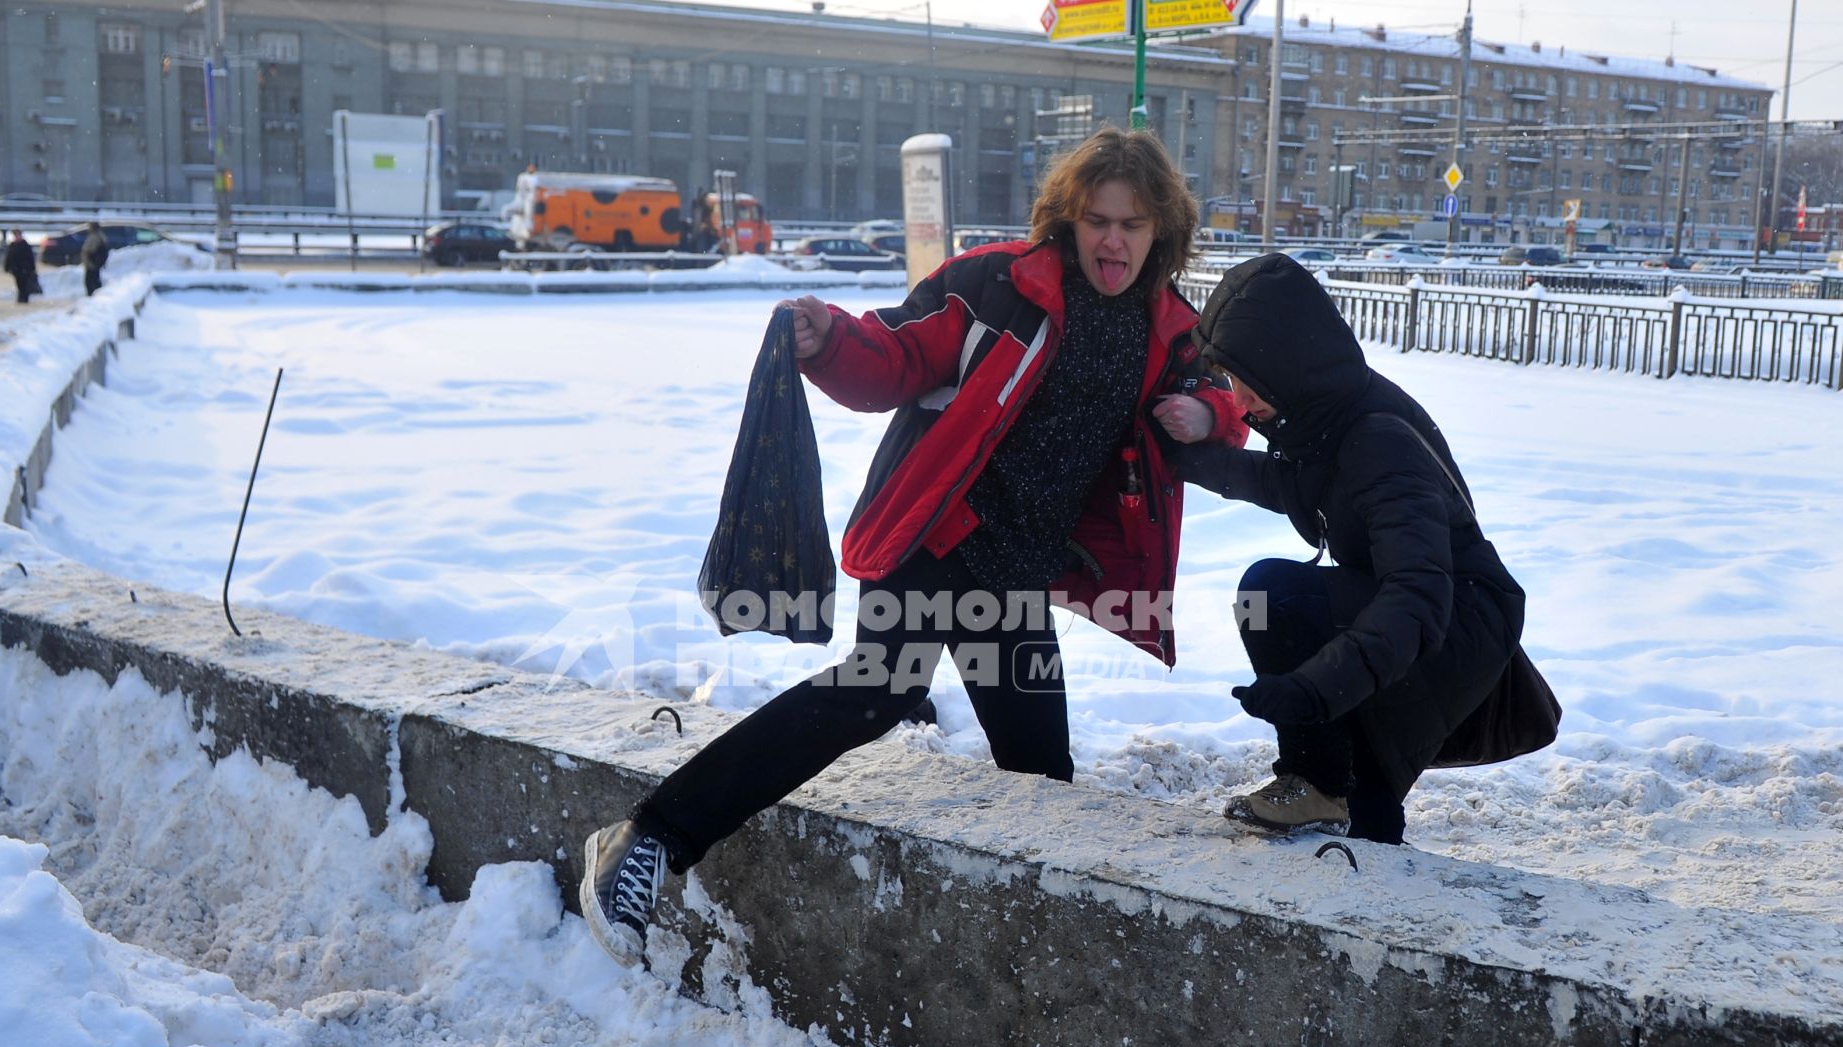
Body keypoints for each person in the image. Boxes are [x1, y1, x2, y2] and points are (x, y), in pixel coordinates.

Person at [578, 126, 1249, 966]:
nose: (1113, 240)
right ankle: (646, 840)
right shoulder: (998, 286)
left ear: (1162, 233)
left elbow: (1222, 400)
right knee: (877, 689)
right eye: (1097, 219)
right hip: (936, 532)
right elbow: (896, 354)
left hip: (1015, 572)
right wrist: (831, 340)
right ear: (1069, 219)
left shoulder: (1167, 330)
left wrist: (1208, 417)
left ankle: (1028, 966)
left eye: (1133, 224)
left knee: (1040, 771)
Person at [1169, 252, 1527, 846]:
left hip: (1457, 616)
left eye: (1242, 379)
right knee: (1284, 609)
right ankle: (1330, 797)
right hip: (1426, 604)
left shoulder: (1378, 440)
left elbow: (1416, 594)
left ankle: (1338, 811)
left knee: (1276, 597)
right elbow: (1294, 485)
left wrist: (1311, 690)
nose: (1236, 400)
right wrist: (1189, 462)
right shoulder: (1329, 412)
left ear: (1282, 362)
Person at [3, 229, 38, 304]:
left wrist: (32, 268)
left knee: (25, 284)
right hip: (15, 269)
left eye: (18, 235)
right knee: (19, 284)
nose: (17, 237)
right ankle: (20, 298)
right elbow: (8, 257)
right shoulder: (12, 245)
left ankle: (24, 299)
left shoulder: (25, 245)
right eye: (15, 235)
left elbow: (30, 257)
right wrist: (7, 267)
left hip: (25, 269)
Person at [81, 221, 109, 297]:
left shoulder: (95, 237)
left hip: (92, 263)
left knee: (90, 281)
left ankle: (93, 296)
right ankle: (95, 295)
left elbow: (90, 249)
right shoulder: (99, 236)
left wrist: (89, 258)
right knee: (94, 280)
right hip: (94, 263)